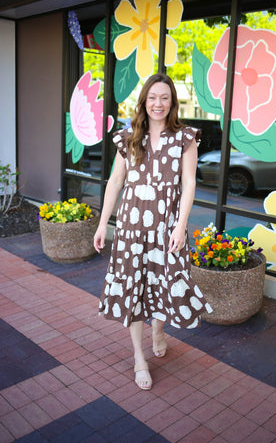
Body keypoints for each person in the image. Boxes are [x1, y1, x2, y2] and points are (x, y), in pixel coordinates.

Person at [94, 73, 212, 391]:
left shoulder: (185, 137)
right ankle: (138, 357)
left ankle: (158, 329)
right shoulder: (129, 136)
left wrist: (181, 225)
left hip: (166, 230)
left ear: (172, 102)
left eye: (164, 97)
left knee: (165, 285)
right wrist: (104, 222)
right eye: (152, 97)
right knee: (133, 290)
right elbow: (116, 182)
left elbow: (189, 183)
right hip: (131, 231)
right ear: (144, 101)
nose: (157, 103)